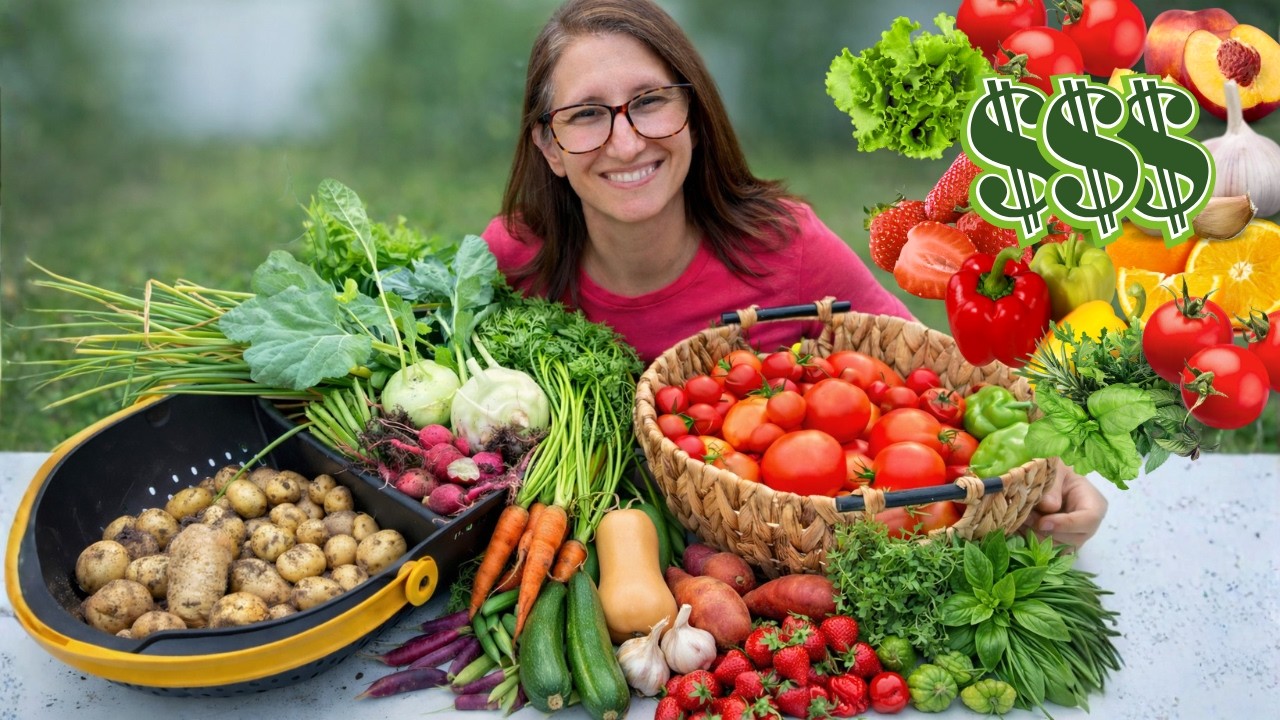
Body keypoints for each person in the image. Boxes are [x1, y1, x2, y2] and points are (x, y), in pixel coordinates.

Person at [481, 0, 1106, 548]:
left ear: (693, 115)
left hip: (790, 553)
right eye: (586, 114)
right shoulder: (510, 262)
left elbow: (942, 386)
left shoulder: (789, 247)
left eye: (649, 102)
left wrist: (1055, 470)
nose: (626, 143)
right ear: (549, 147)